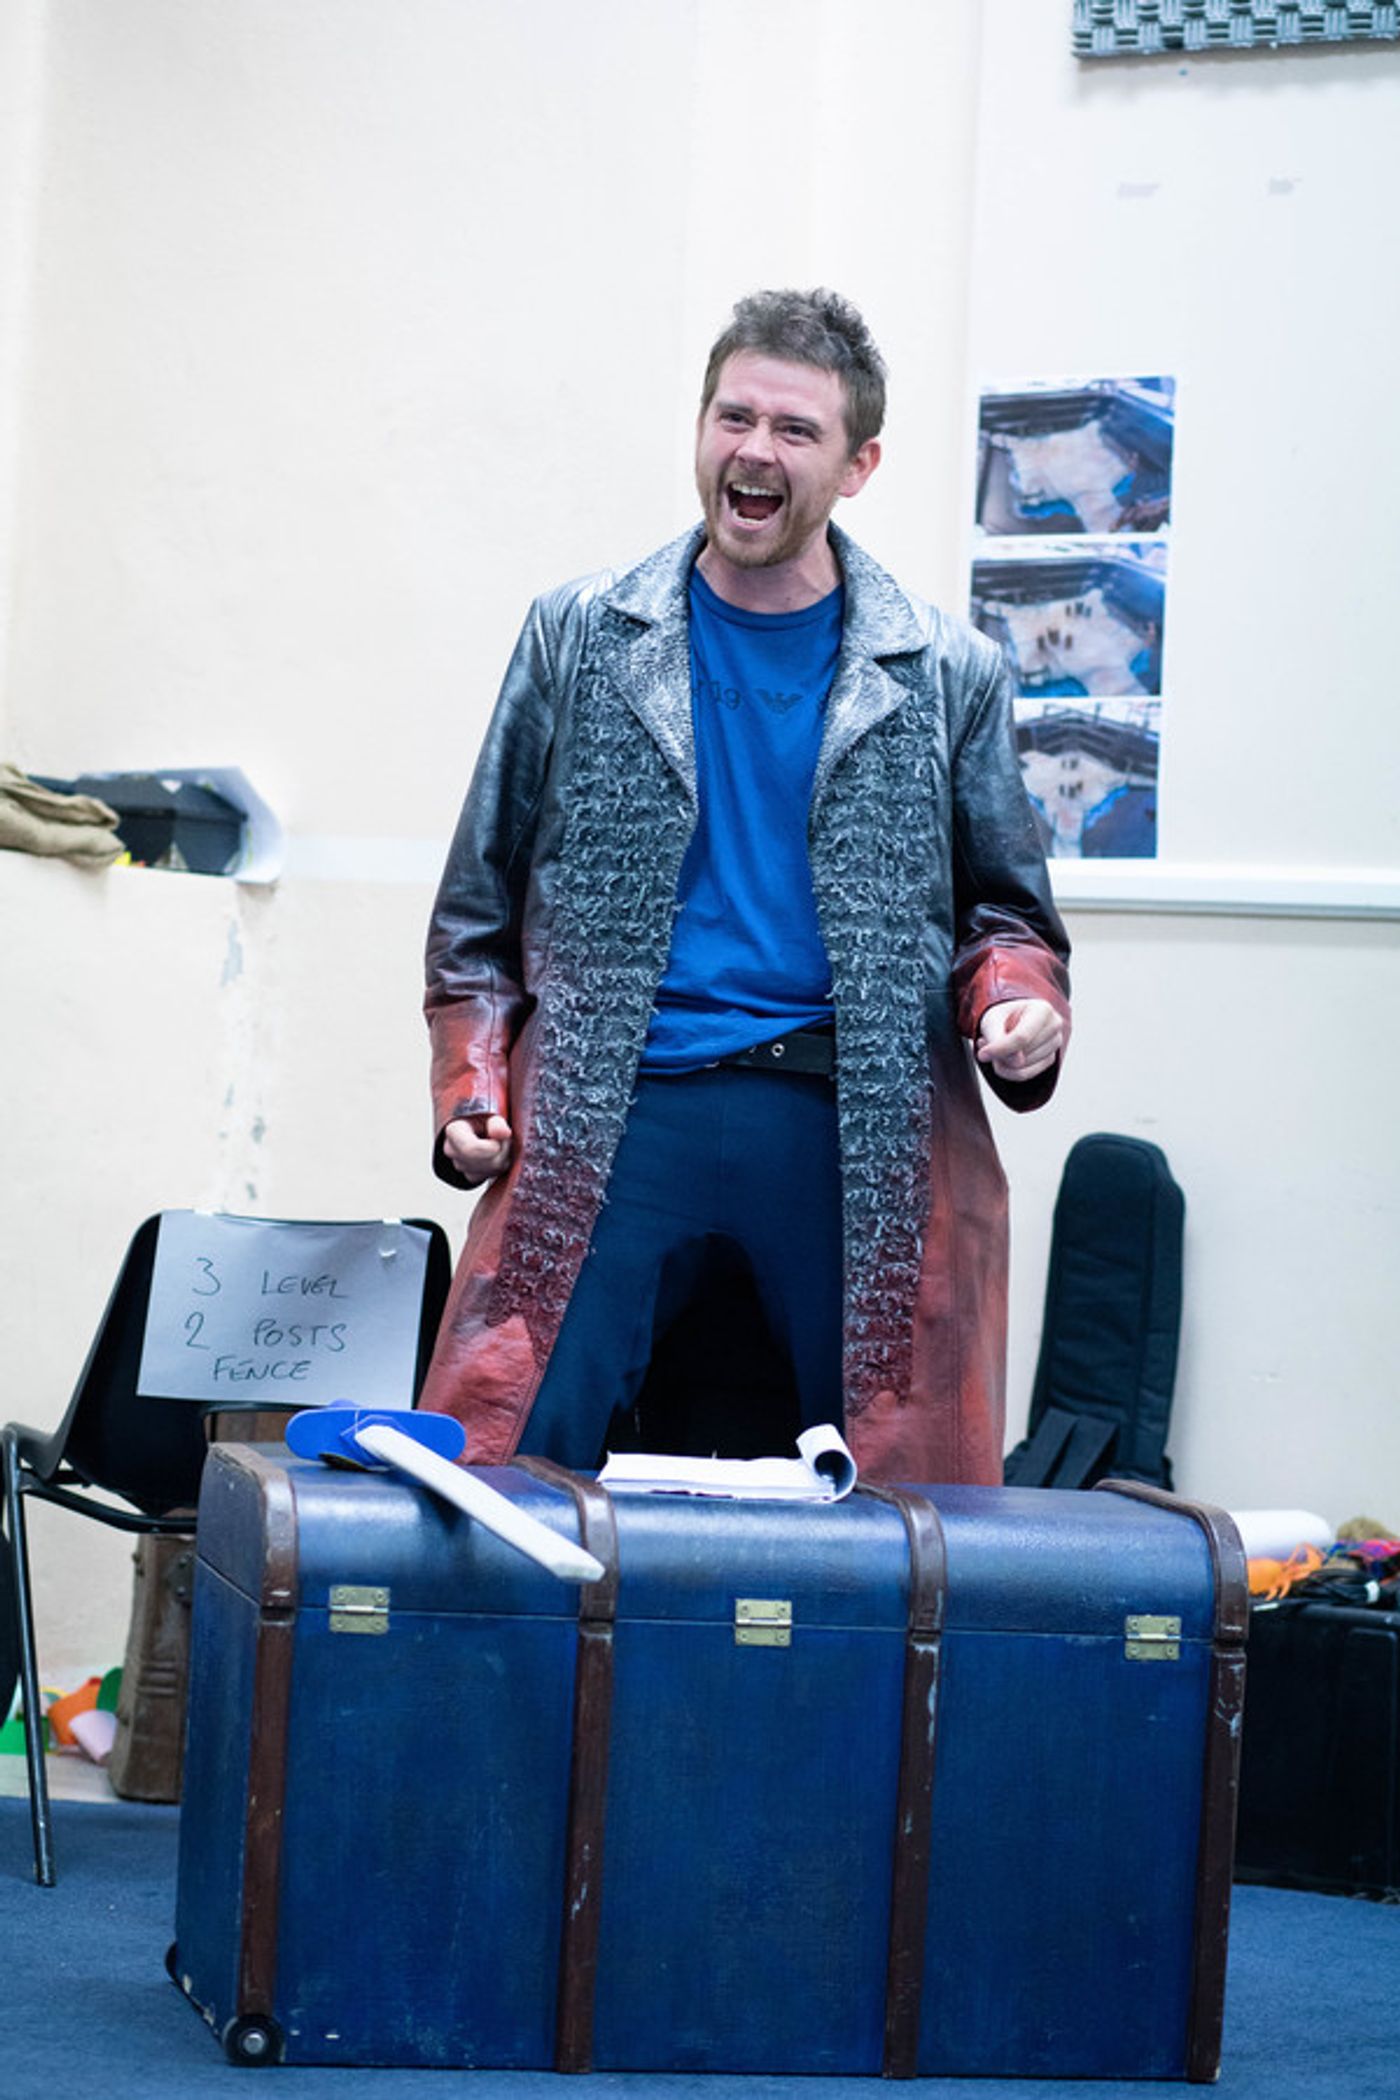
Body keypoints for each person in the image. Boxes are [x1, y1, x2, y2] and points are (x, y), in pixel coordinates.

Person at [418, 288, 1070, 1485]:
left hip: (846, 1116)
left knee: (898, 1506)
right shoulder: (578, 635)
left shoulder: (946, 669)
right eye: (734, 417)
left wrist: (1013, 1001)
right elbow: (477, 911)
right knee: (497, 1470)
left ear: (858, 465)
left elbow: (1004, 913)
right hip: (613, 1108)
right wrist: (472, 1083)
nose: (753, 451)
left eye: (794, 430)